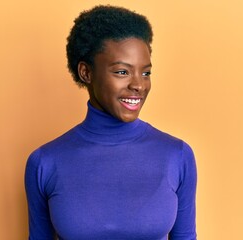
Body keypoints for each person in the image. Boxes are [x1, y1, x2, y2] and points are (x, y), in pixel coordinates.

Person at [25, 5, 197, 240]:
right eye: (122, 72)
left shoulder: (176, 155)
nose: (138, 85)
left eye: (145, 73)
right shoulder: (45, 162)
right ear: (86, 72)